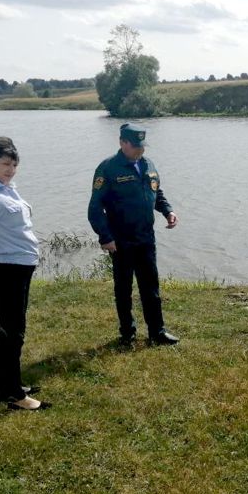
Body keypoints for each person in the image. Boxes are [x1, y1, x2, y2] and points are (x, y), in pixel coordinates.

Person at [0, 137, 50, 411]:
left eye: (14, 164)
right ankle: (15, 395)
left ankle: (9, 382)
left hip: (20, 269)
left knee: (14, 330)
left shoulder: (8, 190)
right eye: (5, 163)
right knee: (13, 332)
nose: (11, 169)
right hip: (5, 271)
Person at [88, 123, 180, 347]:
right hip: (121, 241)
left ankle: (157, 332)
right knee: (124, 289)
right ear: (122, 143)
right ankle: (127, 333)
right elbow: (94, 208)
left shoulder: (148, 164)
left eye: (142, 146)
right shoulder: (108, 168)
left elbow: (156, 192)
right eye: (135, 146)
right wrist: (105, 237)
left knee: (151, 288)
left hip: (146, 238)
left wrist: (168, 211)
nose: (140, 151)